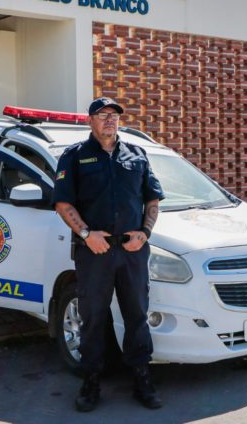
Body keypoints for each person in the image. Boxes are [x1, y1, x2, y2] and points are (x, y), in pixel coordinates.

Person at [52, 96, 165, 412]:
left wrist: (145, 233)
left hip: (132, 251)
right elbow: (63, 203)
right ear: (90, 121)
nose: (109, 119)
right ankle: (91, 382)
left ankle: (142, 379)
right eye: (102, 115)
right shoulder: (75, 156)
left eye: (114, 115)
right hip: (95, 252)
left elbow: (153, 200)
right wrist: (87, 235)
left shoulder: (137, 155)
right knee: (93, 318)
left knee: (137, 316)